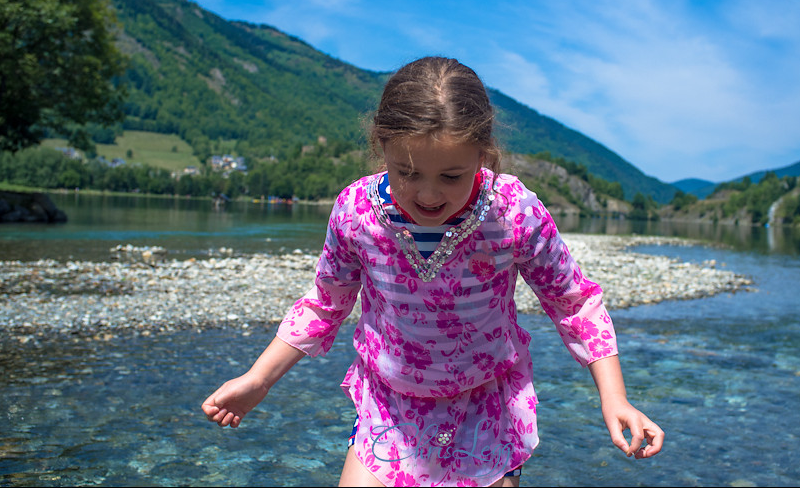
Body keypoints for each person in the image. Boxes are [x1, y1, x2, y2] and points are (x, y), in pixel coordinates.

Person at [201, 56, 664, 487]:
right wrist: (260, 379)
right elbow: (325, 305)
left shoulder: (512, 212)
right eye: (407, 172)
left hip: (486, 405)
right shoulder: (357, 213)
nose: (427, 195)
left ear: (483, 153)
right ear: (382, 145)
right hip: (390, 408)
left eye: (451, 176)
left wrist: (614, 396)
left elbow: (574, 302)